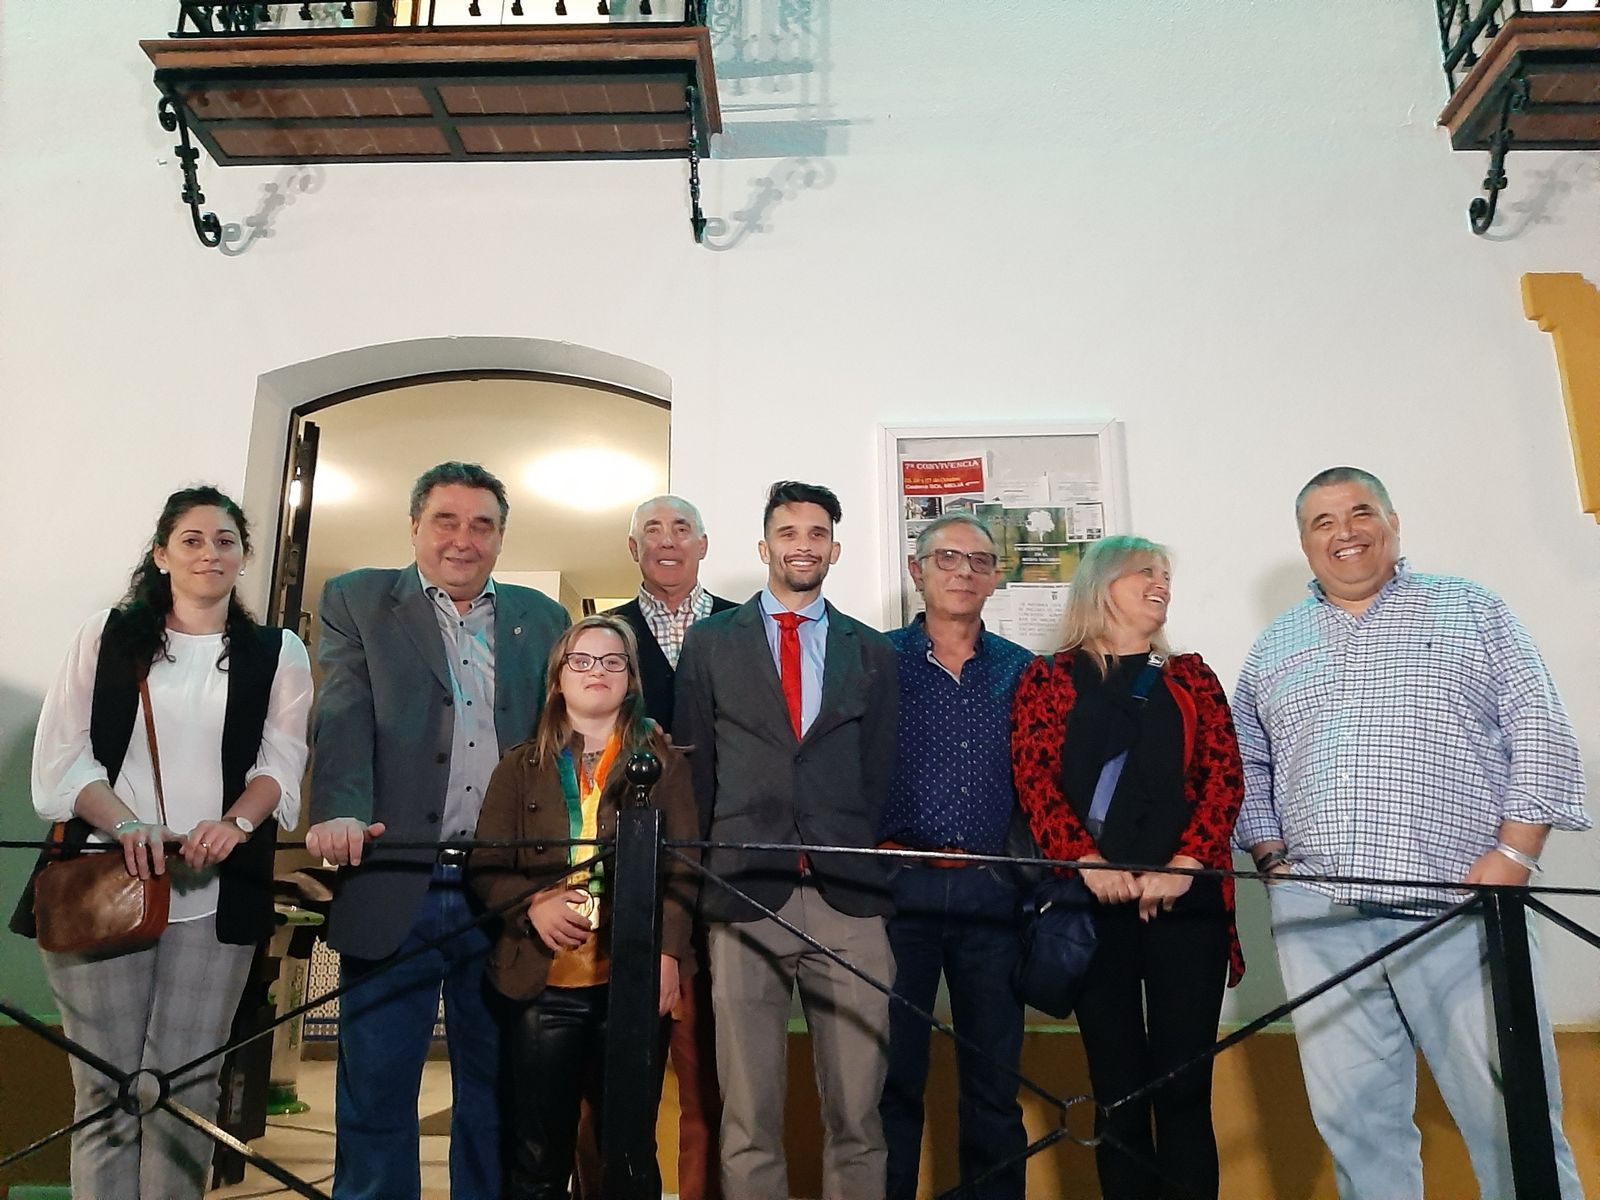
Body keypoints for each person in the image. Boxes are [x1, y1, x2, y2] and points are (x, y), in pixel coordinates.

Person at [1233, 466, 1590, 1200]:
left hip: (1462, 902)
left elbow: (1541, 728)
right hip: (1320, 914)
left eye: (1362, 512)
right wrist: (1272, 857)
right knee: (1356, 1121)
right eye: (1324, 522)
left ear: (1394, 524)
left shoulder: (1472, 611)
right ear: (1304, 542)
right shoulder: (1275, 647)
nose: (1346, 532)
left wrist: (1516, 853)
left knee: (1508, 1108)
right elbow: (1246, 760)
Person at [17, 485, 312, 1200]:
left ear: (243, 557)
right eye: (192, 539)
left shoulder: (278, 651)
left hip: (216, 900)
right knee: (107, 1094)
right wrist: (124, 823)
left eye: (224, 540)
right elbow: (63, 760)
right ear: (160, 554)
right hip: (101, 886)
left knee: (184, 1092)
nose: (209, 552)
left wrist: (237, 823)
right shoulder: (107, 635)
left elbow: (280, 762)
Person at [305, 461, 570, 1200]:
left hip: (504, 891)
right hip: (393, 877)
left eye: (482, 525)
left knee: (495, 1091)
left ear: (501, 537)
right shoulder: (358, 599)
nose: (463, 539)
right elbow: (344, 713)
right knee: (378, 1091)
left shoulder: (540, 619)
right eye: (446, 522)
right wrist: (340, 806)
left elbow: (559, 743)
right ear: (415, 527)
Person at [674, 480, 899, 1200]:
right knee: (748, 1114)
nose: (803, 544)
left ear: (835, 547)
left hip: (850, 902)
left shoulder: (872, 651)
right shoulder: (711, 644)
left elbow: (879, 776)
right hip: (742, 896)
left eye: (817, 533)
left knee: (859, 1111)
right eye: (789, 532)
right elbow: (696, 774)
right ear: (764, 546)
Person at [1011, 535, 1244, 1200]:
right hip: (1092, 914)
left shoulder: (1191, 677)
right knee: (1117, 1092)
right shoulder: (1048, 679)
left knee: (1184, 1089)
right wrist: (1086, 862)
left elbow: (1224, 779)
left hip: (1186, 910)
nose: (1161, 583)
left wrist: (1186, 864)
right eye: (1146, 571)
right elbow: (1035, 782)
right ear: (1102, 585)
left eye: (1166, 573)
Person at [468, 614, 699, 1200]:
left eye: (612, 661)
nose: (598, 671)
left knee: (628, 1149)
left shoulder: (663, 761)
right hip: (543, 983)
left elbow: (683, 868)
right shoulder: (520, 766)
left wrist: (669, 953)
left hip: (632, 977)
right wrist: (534, 904)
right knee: (538, 1150)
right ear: (558, 680)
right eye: (582, 661)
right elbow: (487, 866)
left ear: (631, 679)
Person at [877, 513, 1035, 1200]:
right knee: (890, 1081)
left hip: (992, 897)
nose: (963, 571)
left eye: (979, 560)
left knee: (994, 1088)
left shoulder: (1023, 671)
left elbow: (1043, 784)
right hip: (896, 894)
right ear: (917, 571)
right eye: (947, 558)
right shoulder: (873, 660)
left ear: (996, 576)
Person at [606, 494, 734, 1200]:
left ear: (704, 545)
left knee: (712, 1074)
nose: (666, 540)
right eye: (651, 530)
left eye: (680, 528)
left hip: (725, 874)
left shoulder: (744, 630)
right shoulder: (604, 637)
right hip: (631, 871)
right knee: (619, 1074)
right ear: (633, 550)